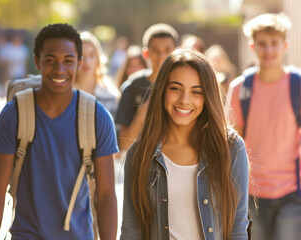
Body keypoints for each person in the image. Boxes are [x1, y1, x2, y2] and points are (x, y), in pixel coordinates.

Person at [0, 23, 118, 240]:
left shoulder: (96, 116)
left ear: (79, 63)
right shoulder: (14, 114)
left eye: (68, 61)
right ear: (37, 61)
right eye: (50, 60)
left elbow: (106, 195)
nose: (59, 70)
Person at [120, 48, 250, 239]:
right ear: (162, 90)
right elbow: (131, 231)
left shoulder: (230, 148)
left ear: (208, 96)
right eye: (175, 88)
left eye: (196, 91)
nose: (185, 100)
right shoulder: (140, 153)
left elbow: (238, 226)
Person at [225, 13, 301, 240]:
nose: (268, 50)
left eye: (274, 44)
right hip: (250, 192)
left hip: (293, 191)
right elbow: (231, 143)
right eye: (262, 44)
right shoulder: (240, 89)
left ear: (285, 46)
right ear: (253, 46)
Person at [114, 23, 179, 151]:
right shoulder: (132, 87)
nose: (161, 57)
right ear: (146, 53)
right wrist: (145, 111)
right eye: (156, 51)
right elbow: (124, 144)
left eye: (167, 50)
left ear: (176, 52)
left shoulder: (185, 85)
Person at [75, 31, 120, 117]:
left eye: (92, 55)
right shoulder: (65, 95)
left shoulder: (110, 96)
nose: (87, 61)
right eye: (81, 55)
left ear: (98, 58)